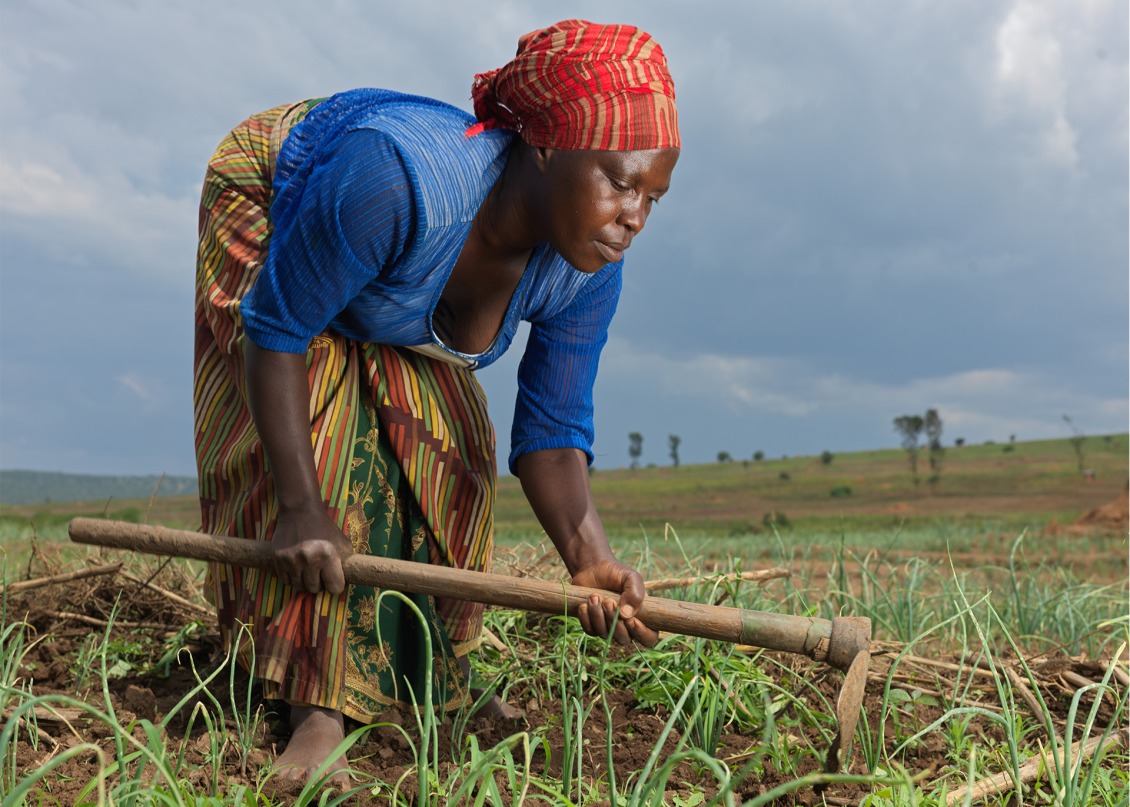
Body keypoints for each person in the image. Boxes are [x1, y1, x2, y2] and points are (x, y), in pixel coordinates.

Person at [192, 19, 679, 785]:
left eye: (653, 196)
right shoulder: (397, 180)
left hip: (379, 278)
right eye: (619, 182)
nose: (634, 218)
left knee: (453, 445)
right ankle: (316, 707)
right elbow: (279, 328)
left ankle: (431, 677)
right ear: (546, 148)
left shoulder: (586, 272)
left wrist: (593, 560)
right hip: (278, 195)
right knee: (321, 419)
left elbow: (551, 433)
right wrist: (298, 506)